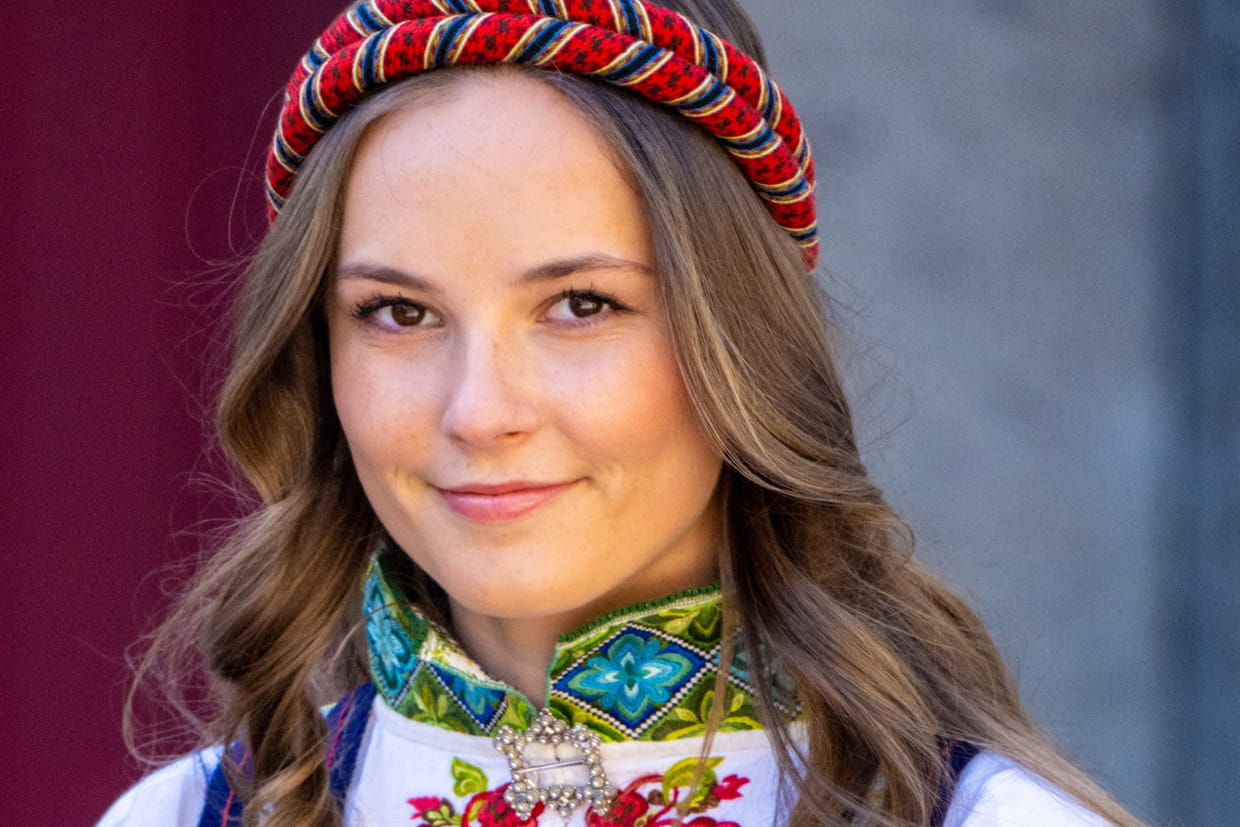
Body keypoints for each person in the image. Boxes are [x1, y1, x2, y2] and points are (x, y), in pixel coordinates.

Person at [100, 1, 1145, 825]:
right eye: (399, 312)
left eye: (581, 304)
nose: (479, 411)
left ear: (738, 336)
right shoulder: (181, 815)